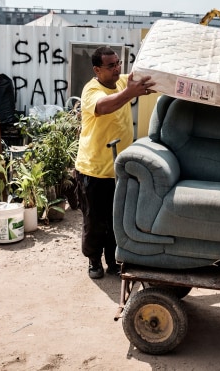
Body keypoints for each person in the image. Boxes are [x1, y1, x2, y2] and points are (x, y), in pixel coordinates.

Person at [74, 46, 156, 279]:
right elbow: (104, 106)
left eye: (118, 63)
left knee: (116, 218)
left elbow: (134, 80)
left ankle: (113, 259)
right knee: (94, 220)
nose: (117, 68)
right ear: (97, 70)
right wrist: (131, 93)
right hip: (94, 170)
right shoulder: (92, 90)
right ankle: (93, 261)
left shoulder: (121, 82)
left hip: (119, 168)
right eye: (111, 66)